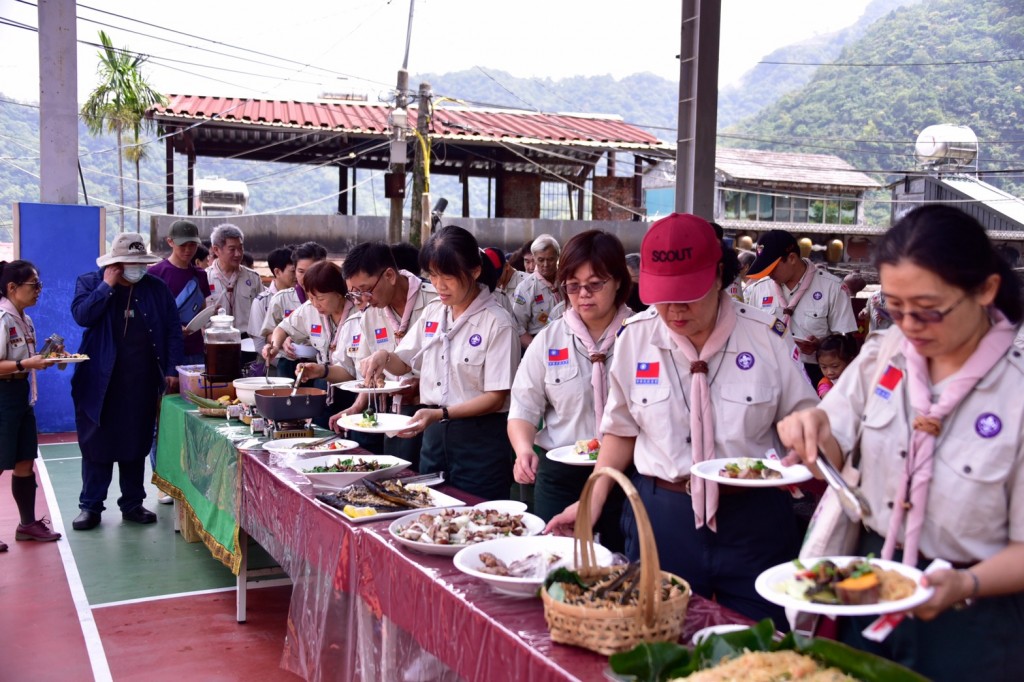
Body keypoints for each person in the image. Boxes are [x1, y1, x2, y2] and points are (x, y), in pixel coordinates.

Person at [778, 204, 1024, 680]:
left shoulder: (1016, 391)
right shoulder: (882, 355)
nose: (909, 326)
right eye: (895, 308)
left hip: (974, 611)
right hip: (870, 583)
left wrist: (965, 582)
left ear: (985, 290)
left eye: (928, 311)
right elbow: (830, 441)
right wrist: (809, 431)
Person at [546, 213, 818, 628]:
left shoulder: (768, 338)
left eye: (687, 294)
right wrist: (590, 502)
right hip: (662, 515)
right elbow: (620, 432)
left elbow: (807, 420)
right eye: (662, 295)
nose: (673, 310)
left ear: (718, 275)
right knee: (655, 638)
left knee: (759, 646)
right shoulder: (636, 337)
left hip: (752, 519)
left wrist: (804, 440)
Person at [361, 226, 520, 499]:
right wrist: (384, 357)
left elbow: (496, 397)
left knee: (478, 520)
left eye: (448, 276)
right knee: (432, 511)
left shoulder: (498, 323)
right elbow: (403, 362)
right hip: (433, 435)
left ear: (474, 271)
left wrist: (442, 414)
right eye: (433, 275)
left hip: (479, 441)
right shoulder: (435, 312)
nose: (439, 285)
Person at [508, 230, 633, 549]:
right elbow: (524, 405)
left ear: (618, 281)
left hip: (626, 476)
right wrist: (523, 449)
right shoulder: (550, 340)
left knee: (620, 568)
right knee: (558, 561)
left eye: (594, 284)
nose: (583, 295)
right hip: (561, 473)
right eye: (573, 286)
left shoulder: (642, 337)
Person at [71, 234, 183, 531]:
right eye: (131, 264)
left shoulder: (156, 288)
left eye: (141, 263)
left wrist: (171, 368)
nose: (137, 269)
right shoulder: (89, 282)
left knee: (136, 441)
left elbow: (173, 330)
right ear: (116, 264)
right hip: (99, 380)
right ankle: (91, 506)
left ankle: (132, 503)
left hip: (142, 379)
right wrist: (105, 286)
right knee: (96, 443)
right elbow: (83, 316)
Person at [343, 242, 438, 466]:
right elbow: (369, 370)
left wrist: (422, 383)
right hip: (392, 416)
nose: (363, 300)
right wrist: (358, 405)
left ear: (389, 275)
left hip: (434, 414)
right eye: (355, 294)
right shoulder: (370, 315)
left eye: (366, 290)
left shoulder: (435, 301)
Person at [0, 260, 62, 550]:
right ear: (12, 288)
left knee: (25, 459)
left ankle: (27, 525)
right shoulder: (2, 317)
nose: (39, 290)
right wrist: (26, 362)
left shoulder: (24, 318)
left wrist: (50, 357)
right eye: (33, 285)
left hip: (21, 393)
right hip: (3, 394)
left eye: (39, 284)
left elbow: (27, 360)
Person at [744, 230, 857, 385]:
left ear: (791, 258)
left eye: (772, 268)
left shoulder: (832, 288)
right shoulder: (758, 290)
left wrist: (821, 345)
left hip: (818, 375)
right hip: (771, 371)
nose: (768, 274)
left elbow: (846, 341)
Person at [148, 219, 211, 365]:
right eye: (183, 245)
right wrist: (174, 328)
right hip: (165, 349)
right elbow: (150, 313)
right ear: (170, 242)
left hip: (195, 348)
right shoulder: (155, 273)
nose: (188, 250)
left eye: (192, 245)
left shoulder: (200, 275)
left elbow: (202, 310)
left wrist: (211, 313)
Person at [259, 242, 326, 379]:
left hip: (322, 363)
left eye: (312, 270)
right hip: (289, 362)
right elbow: (270, 332)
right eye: (301, 271)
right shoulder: (281, 299)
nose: (306, 277)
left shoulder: (331, 299)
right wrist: (280, 342)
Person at [206, 224, 264, 333]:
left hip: (247, 341)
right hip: (215, 341)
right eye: (232, 249)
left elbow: (263, 310)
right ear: (216, 250)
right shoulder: (205, 278)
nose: (238, 254)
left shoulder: (253, 278)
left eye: (240, 248)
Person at [248, 245, 296, 369]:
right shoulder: (262, 301)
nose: (298, 275)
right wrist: (284, 364)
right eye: (293, 271)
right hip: (277, 366)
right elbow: (259, 344)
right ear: (277, 272)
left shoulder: (306, 298)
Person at [511, 234, 563, 348]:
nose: (545, 265)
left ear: (558, 257)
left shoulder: (567, 282)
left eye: (550, 259)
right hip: (538, 343)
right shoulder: (525, 288)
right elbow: (518, 327)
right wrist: (538, 349)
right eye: (541, 260)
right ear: (534, 258)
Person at [814, 333, 858, 398]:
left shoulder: (856, 377)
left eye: (835, 366)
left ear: (849, 362)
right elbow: (827, 398)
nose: (829, 372)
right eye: (824, 367)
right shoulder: (825, 383)